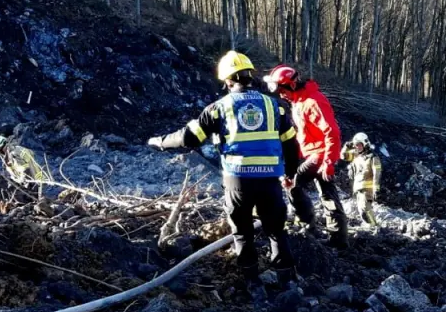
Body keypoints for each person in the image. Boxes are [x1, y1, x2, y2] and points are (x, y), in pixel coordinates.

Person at [147, 51, 300, 284]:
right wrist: (290, 174)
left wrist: (160, 141)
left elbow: (190, 138)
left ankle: (252, 282)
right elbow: (290, 144)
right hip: (270, 179)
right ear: (250, 76)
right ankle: (287, 282)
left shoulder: (219, 108)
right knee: (276, 230)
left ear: (227, 80)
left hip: (238, 180)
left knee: (242, 232)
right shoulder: (274, 106)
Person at [263, 64, 349, 248]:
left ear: (292, 85)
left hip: (321, 154)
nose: (281, 95)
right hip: (315, 153)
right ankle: (339, 239)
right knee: (328, 194)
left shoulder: (312, 102)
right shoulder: (299, 102)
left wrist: (328, 162)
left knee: (293, 183)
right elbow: (306, 134)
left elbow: (332, 132)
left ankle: (307, 226)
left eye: (282, 91)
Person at [341, 132, 383, 229]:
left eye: (359, 145)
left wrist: (376, 188)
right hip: (358, 188)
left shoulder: (373, 157)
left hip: (367, 189)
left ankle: (374, 226)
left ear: (365, 144)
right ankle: (372, 226)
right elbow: (343, 156)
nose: (357, 147)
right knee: (361, 210)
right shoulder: (356, 155)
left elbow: (377, 173)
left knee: (365, 209)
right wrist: (346, 146)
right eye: (356, 145)